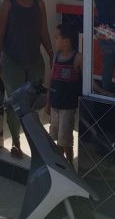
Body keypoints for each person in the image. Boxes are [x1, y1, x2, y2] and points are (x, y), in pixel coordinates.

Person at [0, 0, 53, 158]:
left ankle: (34, 140)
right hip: (12, 62)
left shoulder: (40, 4)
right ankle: (16, 143)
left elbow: (44, 31)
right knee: (15, 103)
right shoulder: (7, 4)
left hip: (35, 61)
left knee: (35, 102)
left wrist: (52, 54)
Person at [45, 23, 82, 165]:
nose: (55, 40)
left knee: (65, 140)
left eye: (57, 38)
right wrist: (48, 103)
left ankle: (69, 165)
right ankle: (60, 166)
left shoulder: (78, 58)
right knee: (54, 137)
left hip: (68, 107)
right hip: (55, 104)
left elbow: (87, 81)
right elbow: (51, 79)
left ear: (66, 41)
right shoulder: (56, 57)